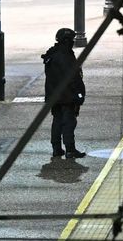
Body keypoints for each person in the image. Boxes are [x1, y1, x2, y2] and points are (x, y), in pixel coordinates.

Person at [42, 28, 86, 159]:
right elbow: (72, 77)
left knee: (57, 120)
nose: (72, 42)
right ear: (67, 40)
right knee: (69, 122)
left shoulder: (52, 54)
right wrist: (78, 93)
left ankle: (56, 148)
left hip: (53, 95)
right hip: (66, 96)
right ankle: (70, 149)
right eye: (71, 40)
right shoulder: (65, 55)